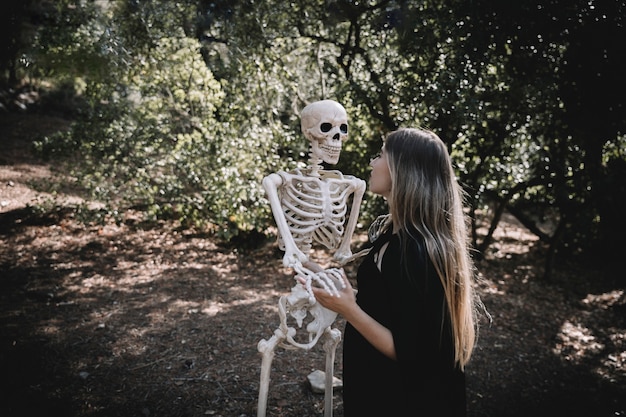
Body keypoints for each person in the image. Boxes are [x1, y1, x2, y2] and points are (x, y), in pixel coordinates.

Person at [301, 127, 482, 416]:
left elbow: (410, 350)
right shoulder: (394, 238)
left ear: (403, 170)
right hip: (379, 387)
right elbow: (394, 306)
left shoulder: (414, 252)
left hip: (400, 400)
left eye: (381, 155)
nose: (372, 162)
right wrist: (321, 276)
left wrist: (349, 310)